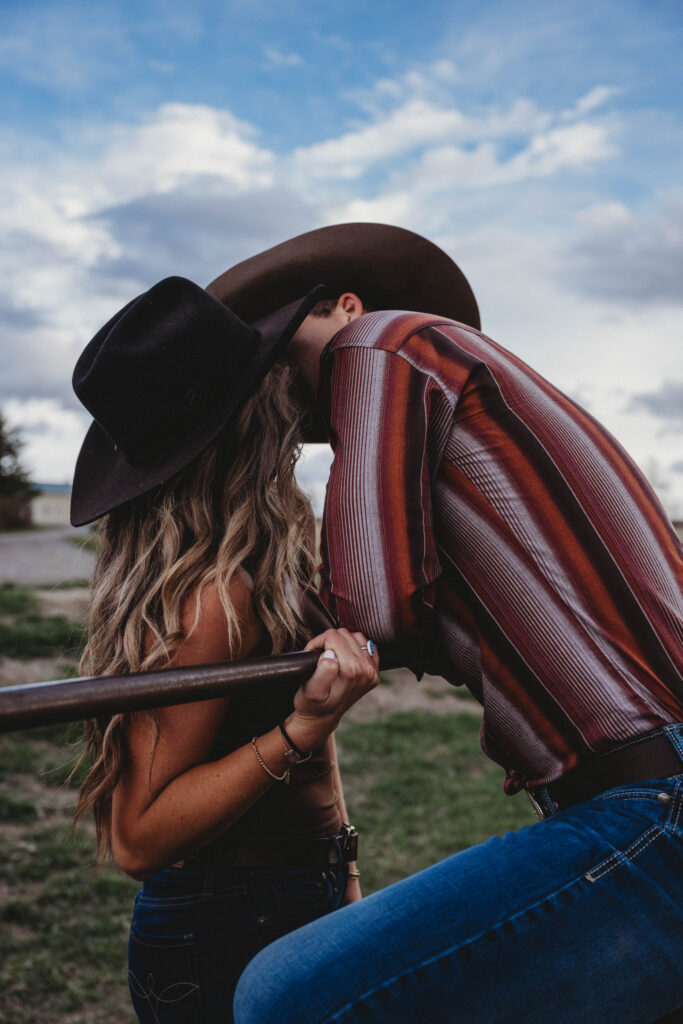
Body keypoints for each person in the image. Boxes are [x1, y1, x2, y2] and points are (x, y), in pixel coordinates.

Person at [204, 223, 683, 1023]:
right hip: (646, 784)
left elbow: (373, 607)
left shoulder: (379, 346)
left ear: (340, 306)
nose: (263, 378)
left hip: (653, 796)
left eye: (269, 348)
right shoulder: (452, 387)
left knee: (285, 996)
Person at [69, 276, 380, 1024]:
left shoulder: (261, 563)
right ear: (251, 419)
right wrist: (300, 729)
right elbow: (139, 838)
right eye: (268, 374)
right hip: (228, 920)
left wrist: (341, 860)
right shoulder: (212, 598)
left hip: (287, 891)